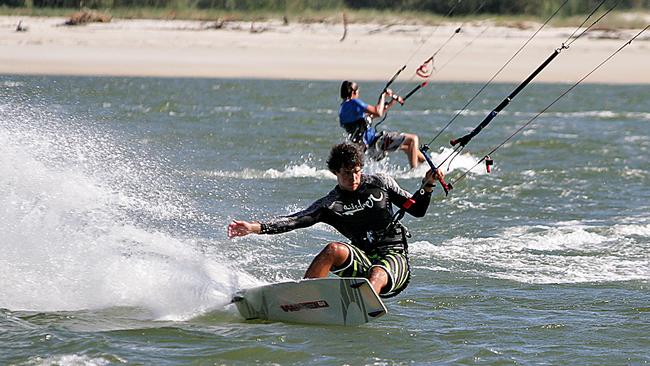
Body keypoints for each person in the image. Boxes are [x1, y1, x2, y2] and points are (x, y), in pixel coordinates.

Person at [227, 143, 443, 297]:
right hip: (364, 259)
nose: (354, 178)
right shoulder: (331, 204)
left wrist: (427, 186)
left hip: (394, 256)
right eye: (347, 173)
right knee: (332, 249)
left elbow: (416, 210)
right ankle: (305, 298)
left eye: (357, 172)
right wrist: (255, 227)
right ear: (335, 172)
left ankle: (361, 304)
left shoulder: (380, 183)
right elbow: (296, 220)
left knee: (377, 274)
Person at [338, 80, 425, 169]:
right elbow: (378, 112)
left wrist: (391, 103)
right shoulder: (354, 102)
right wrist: (382, 95)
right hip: (375, 143)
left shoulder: (342, 109)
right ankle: (414, 171)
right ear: (353, 92)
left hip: (369, 150)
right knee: (413, 139)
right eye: (357, 92)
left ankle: (427, 164)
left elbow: (372, 116)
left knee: (408, 148)